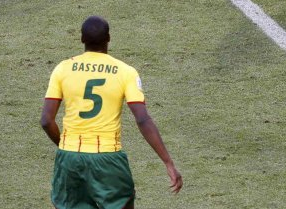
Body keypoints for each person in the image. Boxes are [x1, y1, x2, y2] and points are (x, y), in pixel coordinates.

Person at [41, 16, 182, 208]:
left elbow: (46, 121)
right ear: (108, 38)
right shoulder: (125, 72)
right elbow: (142, 119)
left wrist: (66, 146)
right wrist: (168, 162)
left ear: (82, 39)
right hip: (107, 158)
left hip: (69, 158)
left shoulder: (62, 69)